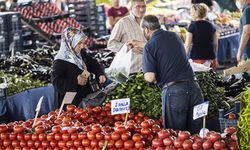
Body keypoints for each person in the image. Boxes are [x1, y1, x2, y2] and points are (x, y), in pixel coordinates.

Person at [142, 15, 204, 134]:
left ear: (146, 29)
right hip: (194, 87)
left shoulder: (149, 46)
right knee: (197, 135)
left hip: (175, 93)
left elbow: (150, 77)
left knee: (177, 136)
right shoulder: (174, 36)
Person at [52, 27, 106, 108]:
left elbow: (93, 63)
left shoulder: (81, 55)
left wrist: (100, 73)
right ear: (70, 42)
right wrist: (75, 81)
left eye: (83, 43)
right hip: (70, 103)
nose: (82, 46)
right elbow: (56, 83)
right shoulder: (60, 61)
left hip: (85, 99)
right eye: (79, 43)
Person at [107, 0, 147, 75]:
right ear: (131, 8)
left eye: (143, 6)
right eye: (138, 6)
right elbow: (111, 44)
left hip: (148, 70)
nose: (141, 9)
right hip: (131, 71)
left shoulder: (148, 22)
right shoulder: (123, 22)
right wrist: (129, 48)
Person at [185, 3, 218, 70]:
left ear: (196, 13)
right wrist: (215, 57)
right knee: (211, 79)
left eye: (191, 12)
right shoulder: (211, 25)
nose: (190, 14)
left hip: (197, 59)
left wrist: (184, 58)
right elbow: (215, 44)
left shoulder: (192, 26)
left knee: (200, 79)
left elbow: (187, 45)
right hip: (211, 58)